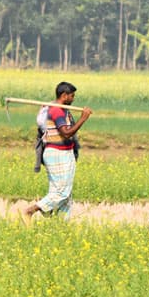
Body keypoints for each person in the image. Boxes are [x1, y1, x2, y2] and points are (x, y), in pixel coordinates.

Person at [17, 82, 92, 225]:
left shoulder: (63, 109)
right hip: (57, 153)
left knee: (66, 195)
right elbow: (66, 133)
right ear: (64, 96)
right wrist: (83, 118)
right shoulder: (56, 111)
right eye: (72, 96)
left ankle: (61, 226)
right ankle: (30, 211)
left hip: (65, 153)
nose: (73, 99)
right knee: (61, 192)